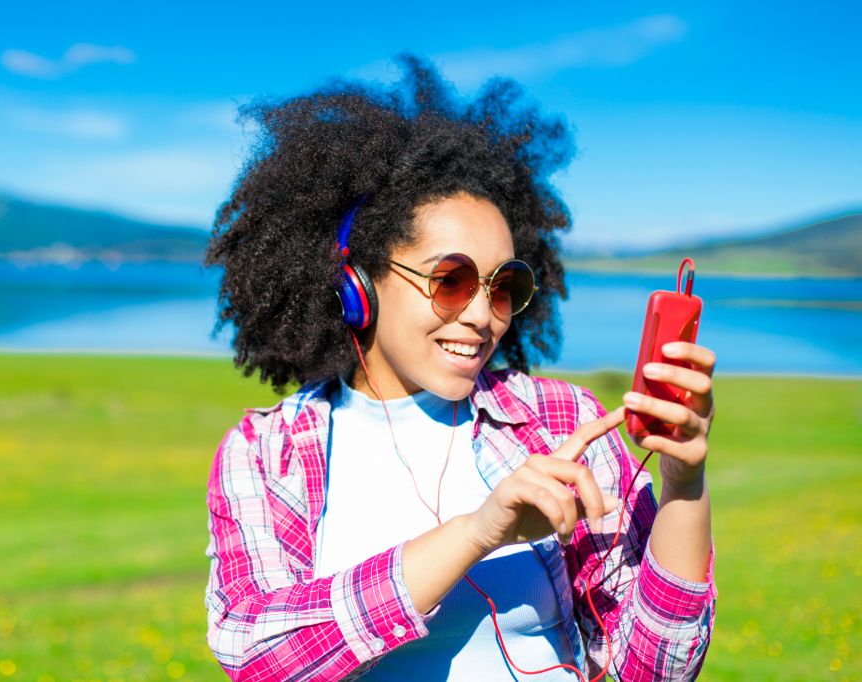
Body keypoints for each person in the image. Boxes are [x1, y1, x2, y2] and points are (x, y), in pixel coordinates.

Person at [203, 54, 716, 681]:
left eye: (503, 287)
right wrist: (478, 533)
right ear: (355, 286)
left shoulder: (563, 422)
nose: (482, 317)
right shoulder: (267, 452)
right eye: (451, 280)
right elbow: (257, 658)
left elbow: (657, 671)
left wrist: (685, 485)